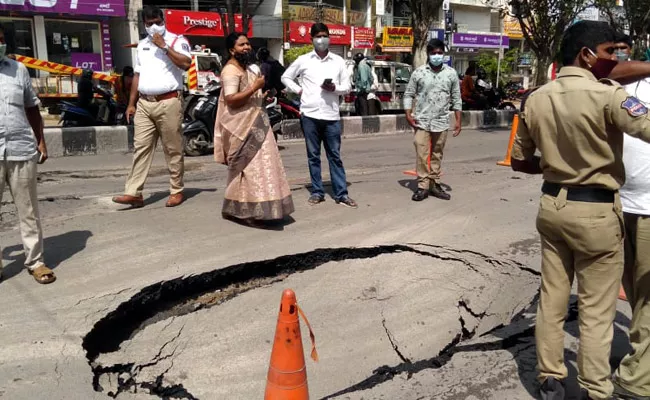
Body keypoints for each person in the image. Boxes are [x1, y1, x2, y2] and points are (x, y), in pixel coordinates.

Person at [509, 20, 650, 400]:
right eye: (609, 52)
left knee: (552, 298)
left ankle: (550, 378)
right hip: (597, 212)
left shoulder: (536, 97)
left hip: (552, 206)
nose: (615, 60)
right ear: (586, 54)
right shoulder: (610, 96)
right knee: (597, 311)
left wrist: (558, 166)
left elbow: (520, 161)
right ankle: (594, 389)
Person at [112, 6, 192, 209]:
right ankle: (133, 193)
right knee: (141, 148)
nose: (154, 26)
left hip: (169, 102)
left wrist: (164, 46)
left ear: (163, 20)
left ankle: (176, 190)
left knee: (172, 149)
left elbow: (185, 64)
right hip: (145, 104)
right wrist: (131, 104)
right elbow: (138, 76)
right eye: (149, 24)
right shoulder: (142, 46)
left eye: (157, 21)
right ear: (144, 25)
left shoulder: (176, 40)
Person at [214, 33, 294, 223]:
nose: (247, 47)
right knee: (247, 169)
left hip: (257, 122)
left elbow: (248, 96)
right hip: (240, 127)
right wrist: (254, 88)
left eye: (248, 43)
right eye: (242, 45)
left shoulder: (250, 68)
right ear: (232, 50)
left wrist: (261, 94)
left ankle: (261, 207)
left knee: (263, 167)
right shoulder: (230, 71)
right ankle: (246, 210)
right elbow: (231, 100)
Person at [0, 23, 55, 284]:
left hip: (21, 148)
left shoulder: (18, 69)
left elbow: (32, 107)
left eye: (0, 39)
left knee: (28, 209)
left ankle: (35, 261)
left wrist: (40, 141)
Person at [281, 23, 357, 208]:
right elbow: (286, 77)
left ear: (329, 37)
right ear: (311, 39)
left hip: (331, 116)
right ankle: (317, 191)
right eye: (318, 36)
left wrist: (335, 88)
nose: (321, 39)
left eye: (324, 35)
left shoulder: (338, 61)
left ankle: (341, 193)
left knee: (334, 156)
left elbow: (347, 86)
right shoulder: (304, 60)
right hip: (310, 115)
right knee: (313, 156)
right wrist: (298, 90)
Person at [612, 46, 650, 400]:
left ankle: (638, 379)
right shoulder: (633, 80)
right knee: (636, 292)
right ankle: (639, 358)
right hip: (624, 203)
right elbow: (600, 72)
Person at [404, 39, 462, 202]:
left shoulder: (450, 73)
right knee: (422, 154)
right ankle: (422, 186)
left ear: (443, 54)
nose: (437, 56)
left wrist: (458, 120)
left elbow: (457, 98)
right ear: (428, 54)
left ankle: (435, 184)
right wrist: (408, 114)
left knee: (437, 154)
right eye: (433, 53)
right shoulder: (419, 73)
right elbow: (409, 94)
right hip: (421, 121)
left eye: (439, 53)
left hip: (441, 121)